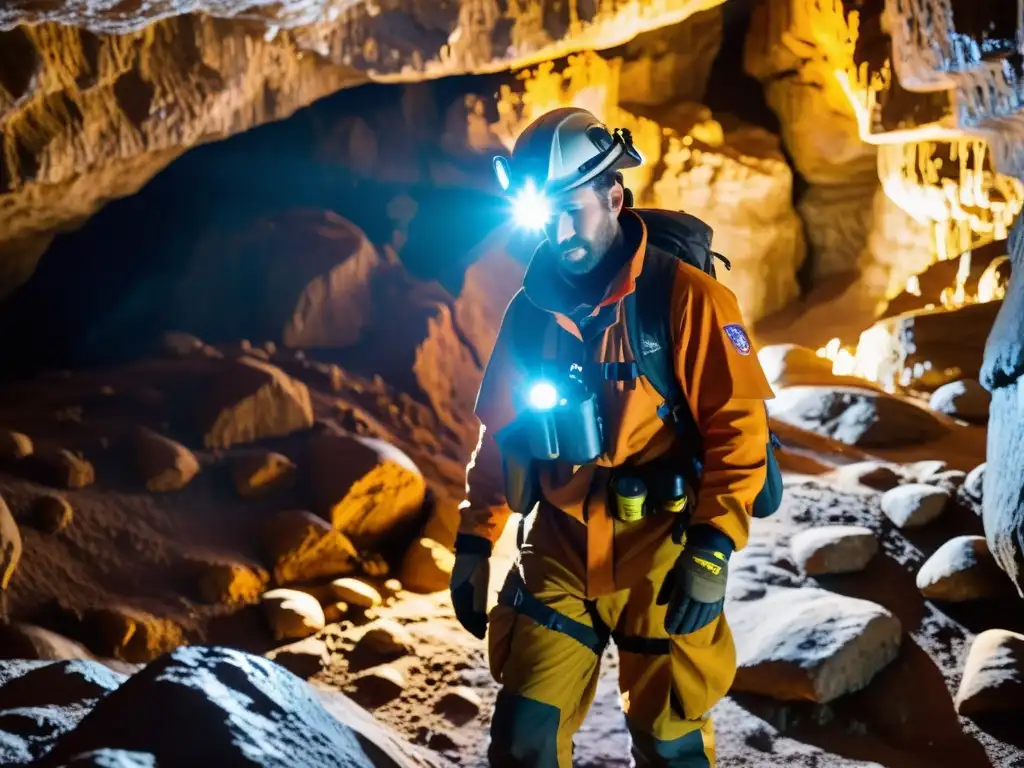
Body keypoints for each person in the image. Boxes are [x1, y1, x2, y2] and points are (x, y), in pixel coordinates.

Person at [449, 106, 776, 767]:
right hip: (563, 549)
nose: (563, 231)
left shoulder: (687, 299)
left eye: (576, 210)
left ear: (613, 197)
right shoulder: (529, 311)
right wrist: (473, 540)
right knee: (522, 743)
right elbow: (501, 434)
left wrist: (711, 553)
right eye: (548, 217)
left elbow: (739, 431)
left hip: (663, 551)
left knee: (668, 744)